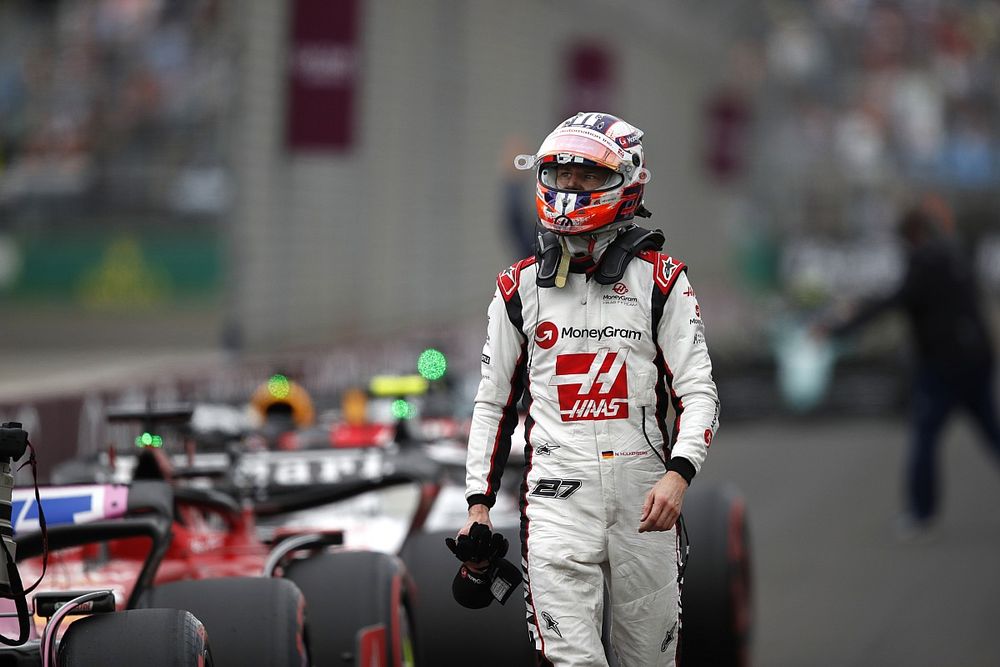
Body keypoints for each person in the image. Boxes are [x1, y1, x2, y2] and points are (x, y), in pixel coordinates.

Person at [455, 112, 720, 666]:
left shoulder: (663, 281)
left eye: (588, 176)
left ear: (627, 182)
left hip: (647, 502)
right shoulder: (517, 287)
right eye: (562, 175)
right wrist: (478, 505)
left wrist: (679, 475)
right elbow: (492, 404)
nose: (571, 188)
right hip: (556, 501)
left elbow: (699, 394)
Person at [816, 201, 1000, 537]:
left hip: (945, 365)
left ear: (913, 235)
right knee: (991, 432)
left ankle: (920, 512)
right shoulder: (956, 255)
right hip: (977, 358)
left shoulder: (925, 261)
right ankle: (920, 511)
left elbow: (892, 301)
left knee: (926, 438)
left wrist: (838, 329)